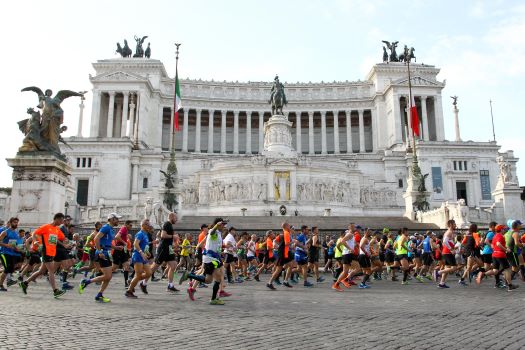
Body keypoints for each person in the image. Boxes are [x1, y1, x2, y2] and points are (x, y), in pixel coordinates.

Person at [179, 218, 227, 305]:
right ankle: (213, 299)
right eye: (222, 224)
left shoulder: (219, 233)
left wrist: (221, 252)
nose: (224, 226)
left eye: (224, 224)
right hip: (211, 258)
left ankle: (189, 276)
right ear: (218, 224)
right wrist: (217, 226)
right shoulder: (214, 232)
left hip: (214, 258)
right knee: (214, 279)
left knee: (212, 279)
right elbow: (212, 232)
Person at [19, 213, 67, 298]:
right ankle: (55, 291)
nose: (62, 222)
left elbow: (61, 238)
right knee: (51, 271)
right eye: (61, 220)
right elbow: (34, 234)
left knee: (41, 271)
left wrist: (66, 243)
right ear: (56, 219)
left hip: (52, 252)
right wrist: (35, 241)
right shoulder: (46, 227)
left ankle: (25, 283)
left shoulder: (57, 229)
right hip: (46, 251)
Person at [79, 212, 121, 302]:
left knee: (108, 277)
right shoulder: (106, 227)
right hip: (102, 254)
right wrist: (100, 251)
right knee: (107, 275)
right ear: (112, 219)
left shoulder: (111, 229)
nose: (118, 220)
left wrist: (115, 247)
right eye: (117, 219)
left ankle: (99, 295)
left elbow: (107, 243)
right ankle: (85, 282)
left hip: (107, 253)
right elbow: (96, 239)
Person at [148, 212, 180, 293]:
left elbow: (167, 238)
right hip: (163, 248)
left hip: (168, 248)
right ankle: (143, 282)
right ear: (171, 217)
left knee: (173, 265)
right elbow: (163, 235)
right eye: (176, 218)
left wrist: (173, 244)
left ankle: (170, 285)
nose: (176, 219)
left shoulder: (170, 225)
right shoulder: (167, 224)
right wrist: (174, 236)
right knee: (154, 267)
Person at [125, 219, 153, 298]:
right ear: (143, 225)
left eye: (149, 224)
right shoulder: (140, 233)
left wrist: (147, 252)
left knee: (149, 273)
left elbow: (145, 246)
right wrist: (141, 252)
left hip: (143, 256)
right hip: (137, 255)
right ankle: (129, 291)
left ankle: (132, 281)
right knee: (138, 275)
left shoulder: (146, 234)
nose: (149, 226)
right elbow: (135, 244)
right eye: (147, 224)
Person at [266, 222, 294, 290]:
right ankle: (269, 283)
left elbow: (275, 240)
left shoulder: (282, 234)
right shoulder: (286, 233)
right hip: (283, 254)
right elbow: (287, 243)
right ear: (286, 226)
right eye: (289, 226)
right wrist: (293, 242)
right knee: (279, 269)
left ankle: (285, 281)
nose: (290, 227)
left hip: (284, 253)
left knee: (290, 265)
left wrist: (277, 246)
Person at [492, 224, 518, 291]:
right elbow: (498, 244)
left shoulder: (495, 236)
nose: (505, 230)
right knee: (507, 270)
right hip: (500, 255)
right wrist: (506, 250)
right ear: (501, 230)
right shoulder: (500, 236)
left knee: (495, 270)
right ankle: (510, 286)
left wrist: (505, 248)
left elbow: (493, 245)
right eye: (504, 229)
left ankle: (483, 273)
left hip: (494, 254)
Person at [0, 217, 23, 291]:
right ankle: (0, 285)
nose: (16, 224)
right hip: (4, 253)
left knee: (10, 269)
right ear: (10, 223)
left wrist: (18, 248)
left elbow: (14, 244)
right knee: (7, 269)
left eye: (17, 222)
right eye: (14, 222)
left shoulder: (16, 233)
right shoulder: (5, 232)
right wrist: (6, 245)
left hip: (12, 253)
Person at [437, 220, 458, 289]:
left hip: (446, 252)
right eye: (454, 224)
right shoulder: (449, 232)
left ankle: (442, 283)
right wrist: (451, 249)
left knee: (447, 268)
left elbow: (445, 243)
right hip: (448, 253)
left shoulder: (450, 232)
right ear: (451, 224)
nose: (455, 225)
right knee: (454, 268)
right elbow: (445, 241)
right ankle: (438, 273)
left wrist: (453, 247)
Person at [112, 220, 132, 287]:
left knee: (126, 265)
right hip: (119, 249)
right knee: (115, 267)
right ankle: (100, 275)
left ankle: (126, 283)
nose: (131, 227)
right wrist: (124, 242)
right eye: (130, 225)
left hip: (123, 249)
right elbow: (117, 236)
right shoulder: (123, 228)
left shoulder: (126, 230)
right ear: (126, 224)